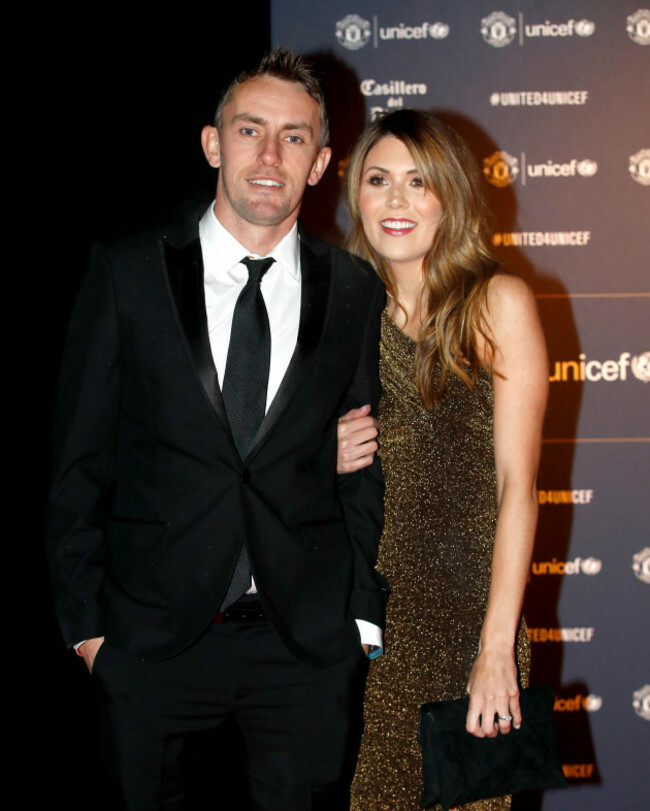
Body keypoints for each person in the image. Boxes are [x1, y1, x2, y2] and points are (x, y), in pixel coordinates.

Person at [46, 48, 388, 811]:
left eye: (294, 137)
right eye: (250, 130)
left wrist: (358, 620)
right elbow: (79, 465)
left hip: (302, 648)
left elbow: (359, 464)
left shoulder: (354, 289)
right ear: (213, 143)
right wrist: (91, 631)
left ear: (321, 161)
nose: (269, 156)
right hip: (150, 642)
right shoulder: (126, 274)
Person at [338, 109, 548, 810]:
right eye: (379, 179)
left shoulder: (496, 303)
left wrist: (495, 648)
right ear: (355, 196)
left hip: (469, 627)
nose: (396, 200)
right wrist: (320, 455)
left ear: (450, 196)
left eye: (418, 181)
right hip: (364, 635)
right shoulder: (338, 312)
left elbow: (519, 487)